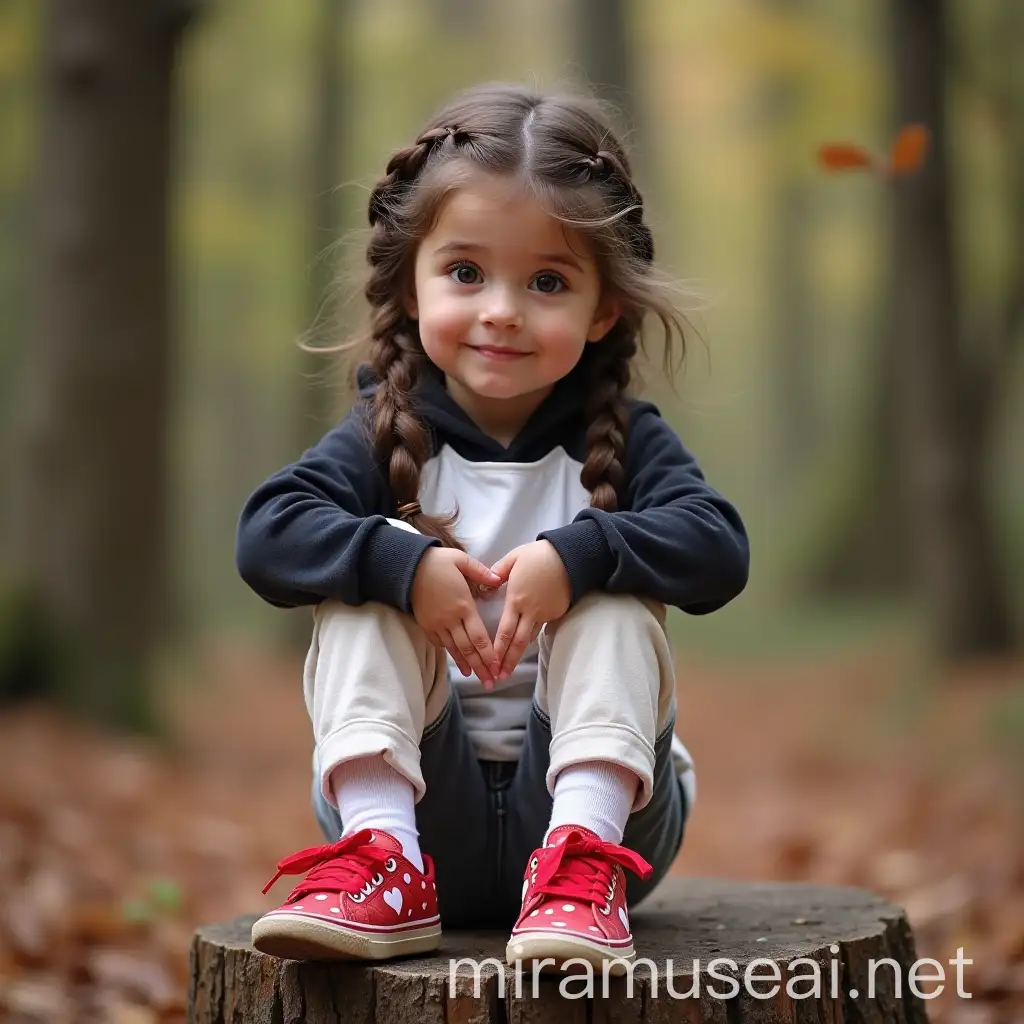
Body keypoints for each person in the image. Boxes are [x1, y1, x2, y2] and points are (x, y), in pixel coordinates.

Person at [235, 81, 748, 972]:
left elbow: (717, 547)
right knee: (361, 592)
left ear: (602, 309)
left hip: (611, 834)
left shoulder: (628, 444)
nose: (503, 308)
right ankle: (381, 868)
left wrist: (583, 553)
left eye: (547, 280)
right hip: (424, 813)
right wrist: (403, 565)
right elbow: (267, 535)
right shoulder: (382, 436)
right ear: (411, 280)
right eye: (466, 272)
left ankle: (578, 870)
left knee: (617, 603)